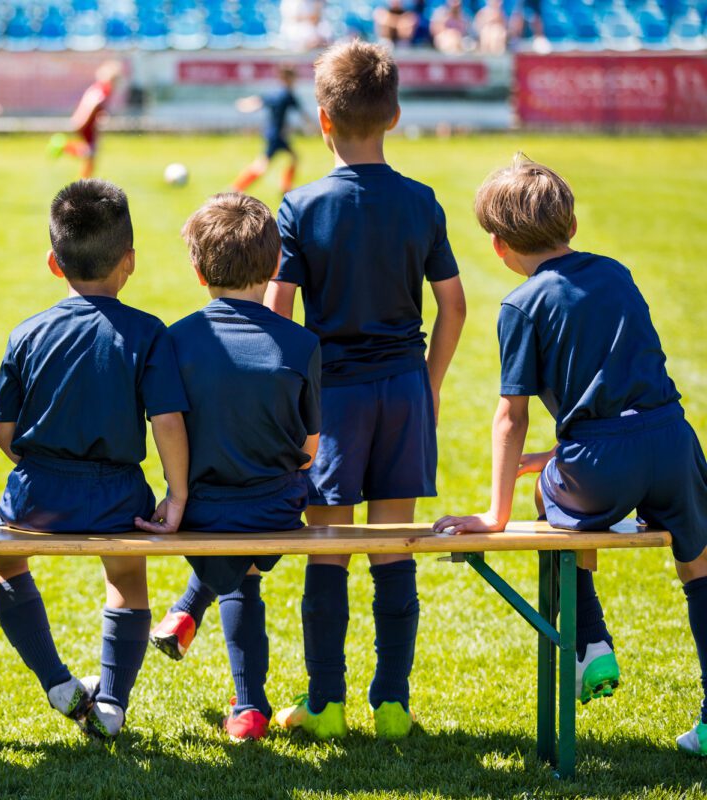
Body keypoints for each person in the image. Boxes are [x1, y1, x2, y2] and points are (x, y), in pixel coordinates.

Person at [434, 155, 707, 756]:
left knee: (545, 492)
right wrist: (563, 450)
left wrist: (495, 514)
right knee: (699, 570)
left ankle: (590, 642)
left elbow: (512, 414)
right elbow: (626, 384)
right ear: (572, 228)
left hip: (600, 465)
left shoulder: (520, 304)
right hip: (672, 441)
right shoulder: (616, 273)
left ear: (499, 246)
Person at [268, 41, 465, 740]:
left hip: (336, 398)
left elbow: (276, 314)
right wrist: (428, 383)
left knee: (329, 547)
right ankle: (392, 704)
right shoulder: (421, 202)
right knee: (393, 545)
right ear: (396, 116)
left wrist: (291, 402)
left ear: (322, 119)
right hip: (403, 391)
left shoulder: (300, 205)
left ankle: (325, 704)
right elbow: (454, 306)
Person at [0, 179, 190, 740]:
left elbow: (1, 431)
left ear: (54, 263)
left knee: (1, 566)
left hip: (36, 494)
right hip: (119, 494)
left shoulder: (27, 332)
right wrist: (176, 494)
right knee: (127, 580)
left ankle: (57, 682)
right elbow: (167, 421)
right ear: (130, 262)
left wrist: (37, 469)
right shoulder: (149, 333)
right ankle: (113, 704)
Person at [158, 193, 322, 742]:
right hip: (276, 506)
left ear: (198, 269)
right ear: (276, 265)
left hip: (200, 506)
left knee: (233, 556)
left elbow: (167, 427)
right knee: (246, 557)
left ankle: (247, 700)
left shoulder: (175, 340)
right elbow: (310, 450)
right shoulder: (300, 343)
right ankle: (247, 702)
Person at [231, 66, 304, 196]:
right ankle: (237, 187)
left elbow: (259, 101)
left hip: (274, 134)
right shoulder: (287, 95)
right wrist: (314, 126)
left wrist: (245, 104)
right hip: (277, 135)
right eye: (293, 78)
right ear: (288, 78)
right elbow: (302, 113)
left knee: (294, 158)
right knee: (261, 165)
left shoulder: (276, 93)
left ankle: (285, 187)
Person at [47, 60, 122, 179]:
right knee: (90, 152)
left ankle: (85, 179)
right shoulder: (102, 90)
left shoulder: (98, 88)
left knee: (90, 152)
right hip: (87, 124)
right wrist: (85, 122)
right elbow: (93, 106)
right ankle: (63, 146)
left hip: (88, 123)